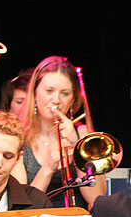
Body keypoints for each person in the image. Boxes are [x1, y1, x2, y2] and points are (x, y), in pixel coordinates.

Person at [11, 56, 106, 208]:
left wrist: (78, 149)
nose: (56, 100)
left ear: (73, 99)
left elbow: (96, 199)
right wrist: (48, 167)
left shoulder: (83, 134)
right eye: (49, 91)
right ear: (35, 93)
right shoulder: (18, 137)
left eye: (65, 93)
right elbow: (22, 206)